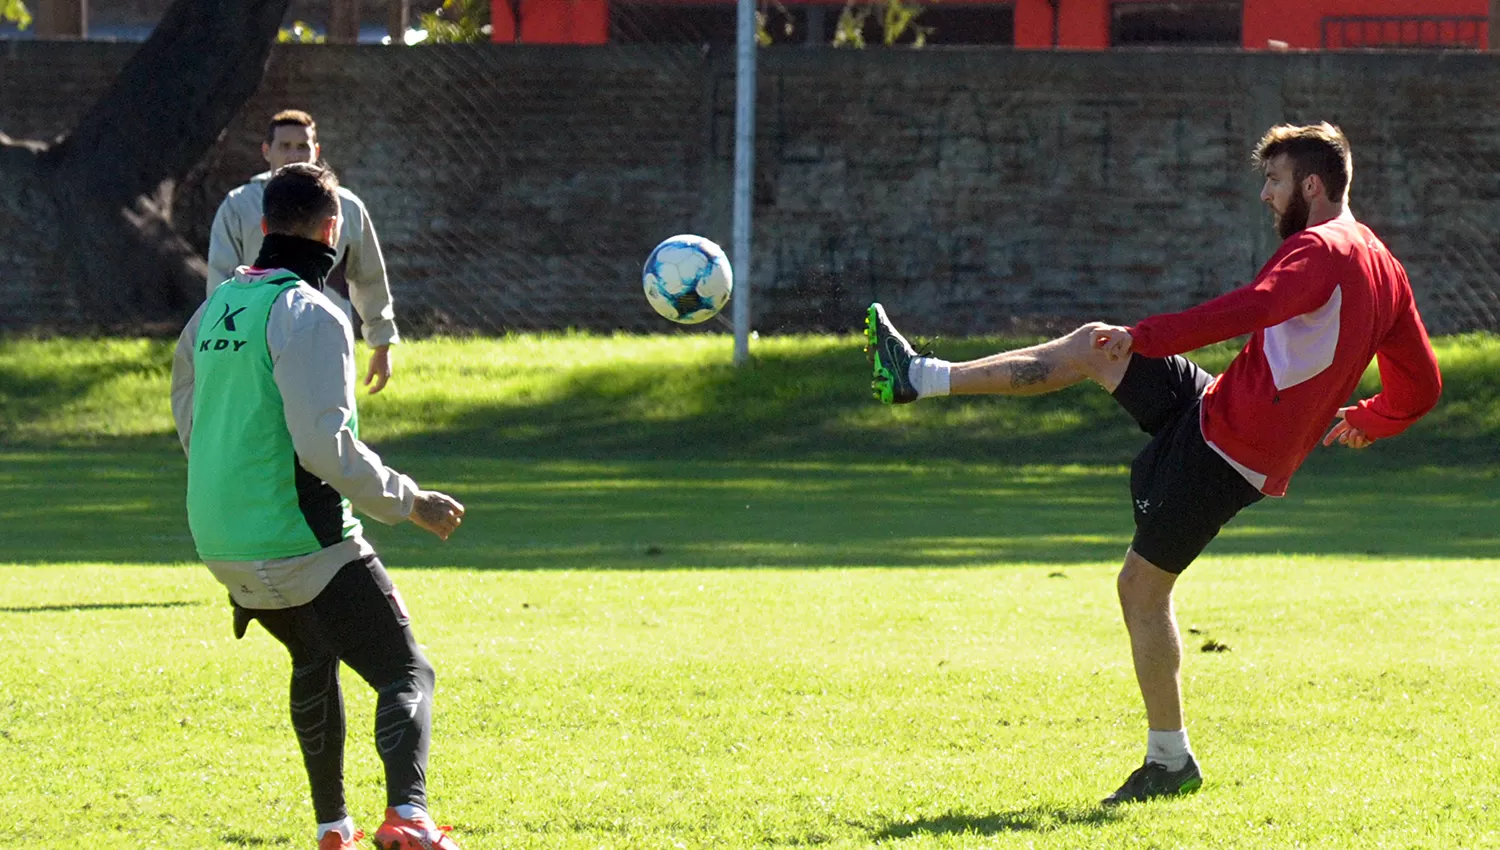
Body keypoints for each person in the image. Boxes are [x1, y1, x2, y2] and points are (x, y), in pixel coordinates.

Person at [864, 122, 1442, 805]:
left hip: (1230, 454)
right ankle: (919, 376)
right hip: (1218, 410)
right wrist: (1373, 419)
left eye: (1276, 181)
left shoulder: (1320, 250)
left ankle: (1170, 762)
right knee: (1092, 346)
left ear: (1311, 186)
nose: (1266, 194)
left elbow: (1251, 308)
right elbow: (1423, 384)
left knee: (1141, 589)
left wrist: (1148, 336)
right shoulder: (1382, 261)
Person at [173, 162, 466, 850]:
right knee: (405, 670)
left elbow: (194, 425)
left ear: (264, 226)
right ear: (332, 231)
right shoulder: (309, 312)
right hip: (301, 541)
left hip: (222, 542)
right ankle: (409, 818)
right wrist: (411, 502)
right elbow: (324, 450)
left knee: (314, 657)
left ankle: (334, 828)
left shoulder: (209, 310)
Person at [208, 108, 400, 394]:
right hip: (256, 340)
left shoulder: (345, 206)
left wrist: (381, 343)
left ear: (316, 150)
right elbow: (221, 282)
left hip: (324, 336)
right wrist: (220, 342)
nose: (293, 155)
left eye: (302, 146)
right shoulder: (239, 206)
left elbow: (368, 277)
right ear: (266, 151)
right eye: (284, 146)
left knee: (329, 422)